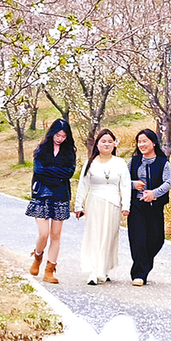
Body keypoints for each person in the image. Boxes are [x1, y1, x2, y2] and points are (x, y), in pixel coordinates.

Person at [74, 129, 131, 285]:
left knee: (109, 236)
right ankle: (93, 271)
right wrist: (78, 205)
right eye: (103, 141)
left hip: (113, 203)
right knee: (94, 235)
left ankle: (104, 269)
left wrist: (126, 205)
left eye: (109, 141)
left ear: (114, 144)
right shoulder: (90, 163)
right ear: (97, 144)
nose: (106, 144)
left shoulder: (119, 163)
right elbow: (83, 185)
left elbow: (125, 185)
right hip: (95, 202)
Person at [26, 119, 76, 284]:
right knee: (44, 233)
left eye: (63, 136)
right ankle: (38, 256)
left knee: (56, 235)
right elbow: (39, 171)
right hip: (42, 195)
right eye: (57, 134)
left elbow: (68, 172)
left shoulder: (69, 152)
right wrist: (57, 175)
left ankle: (50, 269)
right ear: (51, 133)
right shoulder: (42, 149)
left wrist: (52, 173)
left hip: (60, 196)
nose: (60, 138)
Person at [127, 129, 171, 286]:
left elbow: (168, 182)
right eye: (139, 141)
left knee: (156, 239)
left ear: (153, 142)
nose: (141, 144)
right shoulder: (133, 162)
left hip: (155, 206)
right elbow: (124, 181)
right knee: (138, 239)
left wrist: (154, 193)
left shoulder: (162, 162)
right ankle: (139, 274)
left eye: (144, 141)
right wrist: (134, 185)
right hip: (137, 206)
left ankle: (144, 265)